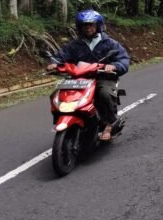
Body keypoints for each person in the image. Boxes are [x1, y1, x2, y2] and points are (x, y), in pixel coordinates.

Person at [47, 9, 130, 142]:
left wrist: (114, 66)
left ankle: (108, 125)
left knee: (104, 94)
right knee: (56, 95)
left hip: (103, 77)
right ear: (80, 27)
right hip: (79, 78)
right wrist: (53, 64)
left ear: (98, 25)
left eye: (91, 24)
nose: (87, 27)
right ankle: (67, 118)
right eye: (84, 25)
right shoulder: (74, 44)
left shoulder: (109, 43)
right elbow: (60, 57)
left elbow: (123, 59)